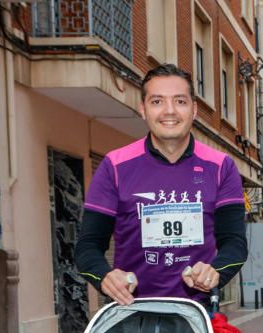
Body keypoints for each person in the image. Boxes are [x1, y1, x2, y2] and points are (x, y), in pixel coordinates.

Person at [76, 64, 247, 304]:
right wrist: (105, 277)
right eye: (157, 102)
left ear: (194, 109)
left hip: (196, 312)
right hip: (131, 313)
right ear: (143, 109)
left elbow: (235, 243)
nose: (169, 111)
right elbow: (88, 246)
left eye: (180, 101)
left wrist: (215, 271)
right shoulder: (114, 166)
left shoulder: (221, 167)